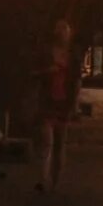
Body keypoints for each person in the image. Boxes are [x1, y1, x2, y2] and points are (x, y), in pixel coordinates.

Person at [35, 18, 81, 193]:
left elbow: (76, 82)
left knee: (60, 143)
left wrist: (75, 104)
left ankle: (55, 180)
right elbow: (34, 73)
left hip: (64, 103)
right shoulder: (46, 53)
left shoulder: (72, 56)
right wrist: (48, 71)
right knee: (47, 141)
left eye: (66, 30)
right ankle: (43, 178)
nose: (62, 34)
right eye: (60, 30)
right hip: (47, 101)